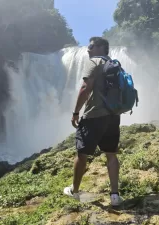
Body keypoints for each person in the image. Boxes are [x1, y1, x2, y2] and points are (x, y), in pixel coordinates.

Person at [63, 37, 123, 206]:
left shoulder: (95, 62)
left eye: (91, 46)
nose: (87, 50)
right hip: (113, 116)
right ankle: (115, 196)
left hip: (94, 115)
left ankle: (74, 191)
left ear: (102, 48)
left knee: (81, 154)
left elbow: (85, 88)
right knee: (111, 155)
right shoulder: (116, 65)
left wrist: (75, 112)